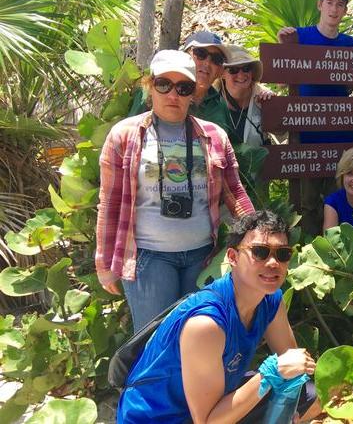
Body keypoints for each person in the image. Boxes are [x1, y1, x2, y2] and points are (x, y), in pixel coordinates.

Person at [96, 50, 254, 332]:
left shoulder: (214, 136)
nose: (173, 94)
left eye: (183, 88)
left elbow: (235, 194)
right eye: (164, 84)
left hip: (203, 257)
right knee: (154, 345)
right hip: (149, 258)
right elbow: (110, 203)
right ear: (150, 86)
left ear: (194, 93)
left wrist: (258, 241)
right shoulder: (124, 135)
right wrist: (105, 263)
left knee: (202, 342)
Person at [116, 210, 320, 423]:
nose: (272, 263)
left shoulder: (270, 300)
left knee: (309, 396)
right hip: (159, 418)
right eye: (260, 252)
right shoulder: (206, 324)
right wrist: (269, 374)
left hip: (205, 408)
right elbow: (207, 422)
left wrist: (288, 410)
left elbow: (295, 367)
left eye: (282, 254)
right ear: (232, 257)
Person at [277, 0, 353, 235]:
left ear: (344, 11)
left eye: (340, 4)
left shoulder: (348, 44)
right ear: (320, 5)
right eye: (330, 3)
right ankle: (308, 249)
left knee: (336, 201)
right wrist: (284, 44)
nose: (334, 9)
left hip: (338, 136)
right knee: (308, 202)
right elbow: (281, 79)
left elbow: (352, 85)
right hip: (306, 136)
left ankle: (335, 252)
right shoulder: (299, 36)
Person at [128, 31, 232, 135]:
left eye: (216, 59)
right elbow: (130, 133)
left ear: (220, 70)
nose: (207, 63)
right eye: (201, 54)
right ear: (186, 55)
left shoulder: (220, 105)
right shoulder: (153, 89)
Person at [219, 45, 274, 148]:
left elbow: (282, 133)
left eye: (246, 68)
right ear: (222, 74)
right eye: (233, 70)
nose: (241, 75)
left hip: (256, 163)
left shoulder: (263, 96)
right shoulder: (212, 98)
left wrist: (272, 108)